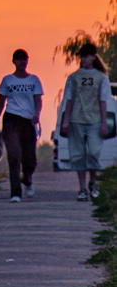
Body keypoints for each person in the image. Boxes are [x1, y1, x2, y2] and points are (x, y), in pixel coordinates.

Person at [59, 42, 112, 202]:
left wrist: (104, 123)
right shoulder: (73, 78)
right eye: (81, 56)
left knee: (94, 152)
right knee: (78, 155)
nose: (83, 59)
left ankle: (93, 182)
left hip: (94, 120)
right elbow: (69, 99)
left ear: (93, 57)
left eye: (85, 56)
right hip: (77, 120)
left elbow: (103, 101)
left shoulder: (101, 78)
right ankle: (82, 188)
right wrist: (66, 121)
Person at [0, 48, 44, 202]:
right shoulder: (7, 80)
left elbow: (38, 100)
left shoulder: (34, 80)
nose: (22, 62)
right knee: (14, 157)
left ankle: (27, 178)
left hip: (28, 121)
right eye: (19, 59)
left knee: (30, 158)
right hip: (11, 120)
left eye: (24, 59)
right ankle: (15, 192)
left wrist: (37, 114)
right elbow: (1, 103)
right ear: (14, 62)